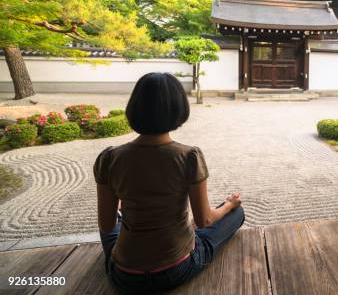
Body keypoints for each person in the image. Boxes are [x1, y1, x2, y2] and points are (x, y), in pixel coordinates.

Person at [94, 72, 244, 294]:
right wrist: (230, 205)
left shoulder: (109, 158)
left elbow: (106, 226)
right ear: (178, 109)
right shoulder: (188, 156)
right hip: (175, 269)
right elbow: (204, 220)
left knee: (114, 226)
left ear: (134, 108)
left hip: (124, 274)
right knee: (236, 214)